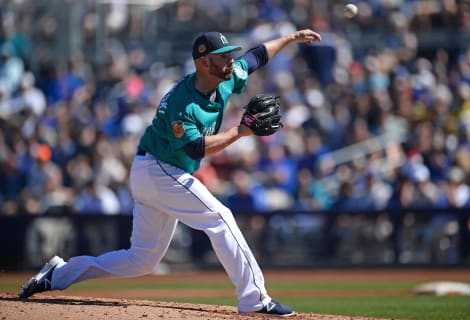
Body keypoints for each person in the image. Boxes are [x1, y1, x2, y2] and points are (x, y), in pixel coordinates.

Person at [19, 29, 322, 316]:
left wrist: (291, 37)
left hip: (156, 171)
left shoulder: (226, 78)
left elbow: (256, 57)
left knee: (141, 260)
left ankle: (58, 273)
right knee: (220, 218)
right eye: (222, 56)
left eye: (230, 55)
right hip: (159, 169)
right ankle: (255, 299)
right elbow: (196, 149)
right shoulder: (182, 102)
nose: (230, 60)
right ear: (203, 62)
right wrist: (240, 132)